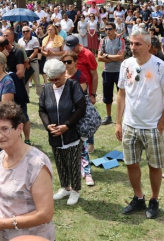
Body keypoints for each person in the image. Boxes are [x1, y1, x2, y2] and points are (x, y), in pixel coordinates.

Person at [115, 30, 164, 219]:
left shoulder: (161, 67)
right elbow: (121, 94)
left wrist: (161, 124)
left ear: (149, 46)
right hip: (130, 126)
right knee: (131, 164)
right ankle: (138, 197)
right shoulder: (126, 64)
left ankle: (154, 200)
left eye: (137, 44)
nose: (133, 47)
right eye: (131, 43)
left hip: (152, 128)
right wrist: (118, 122)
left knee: (154, 166)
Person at [0, 102, 55, 240]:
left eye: (5, 129)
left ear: (19, 128)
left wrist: (3, 224)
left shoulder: (36, 164)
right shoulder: (0, 158)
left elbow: (45, 214)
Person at [39, 59, 86, 206]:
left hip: (71, 133)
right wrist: (48, 126)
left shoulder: (73, 86)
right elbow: (42, 110)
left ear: (63, 73)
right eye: (51, 79)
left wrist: (67, 125)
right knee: (60, 162)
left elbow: (81, 108)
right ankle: (64, 187)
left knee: (72, 163)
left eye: (57, 79)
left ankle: (75, 190)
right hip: (55, 135)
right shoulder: (46, 89)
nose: (55, 82)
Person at [61, 51, 95, 186]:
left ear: (75, 62)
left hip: (78, 115)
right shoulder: (61, 75)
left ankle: (87, 173)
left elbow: (78, 97)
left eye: (69, 61)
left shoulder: (81, 77)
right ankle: (71, 172)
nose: (66, 64)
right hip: (65, 115)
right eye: (64, 62)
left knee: (82, 145)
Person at [64, 35, 99, 152]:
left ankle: (90, 143)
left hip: (85, 92)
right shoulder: (68, 54)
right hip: (70, 93)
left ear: (78, 45)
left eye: (72, 47)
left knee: (86, 118)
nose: (70, 50)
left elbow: (94, 75)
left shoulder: (88, 55)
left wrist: (93, 94)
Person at [98, 22, 125, 125]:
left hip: (119, 71)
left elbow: (121, 57)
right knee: (107, 96)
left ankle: (122, 117)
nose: (107, 31)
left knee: (122, 95)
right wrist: (113, 58)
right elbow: (99, 58)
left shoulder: (121, 41)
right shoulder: (103, 41)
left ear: (114, 30)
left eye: (109, 29)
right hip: (107, 72)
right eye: (106, 29)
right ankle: (108, 116)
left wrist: (106, 56)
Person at [18, 26, 42, 97]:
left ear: (30, 31)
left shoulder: (35, 39)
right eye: (23, 31)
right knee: (25, 81)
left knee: (37, 81)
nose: (25, 32)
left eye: (27, 31)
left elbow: (35, 52)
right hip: (24, 64)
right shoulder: (20, 40)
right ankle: (26, 96)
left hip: (33, 62)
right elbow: (20, 52)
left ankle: (40, 96)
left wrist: (28, 60)